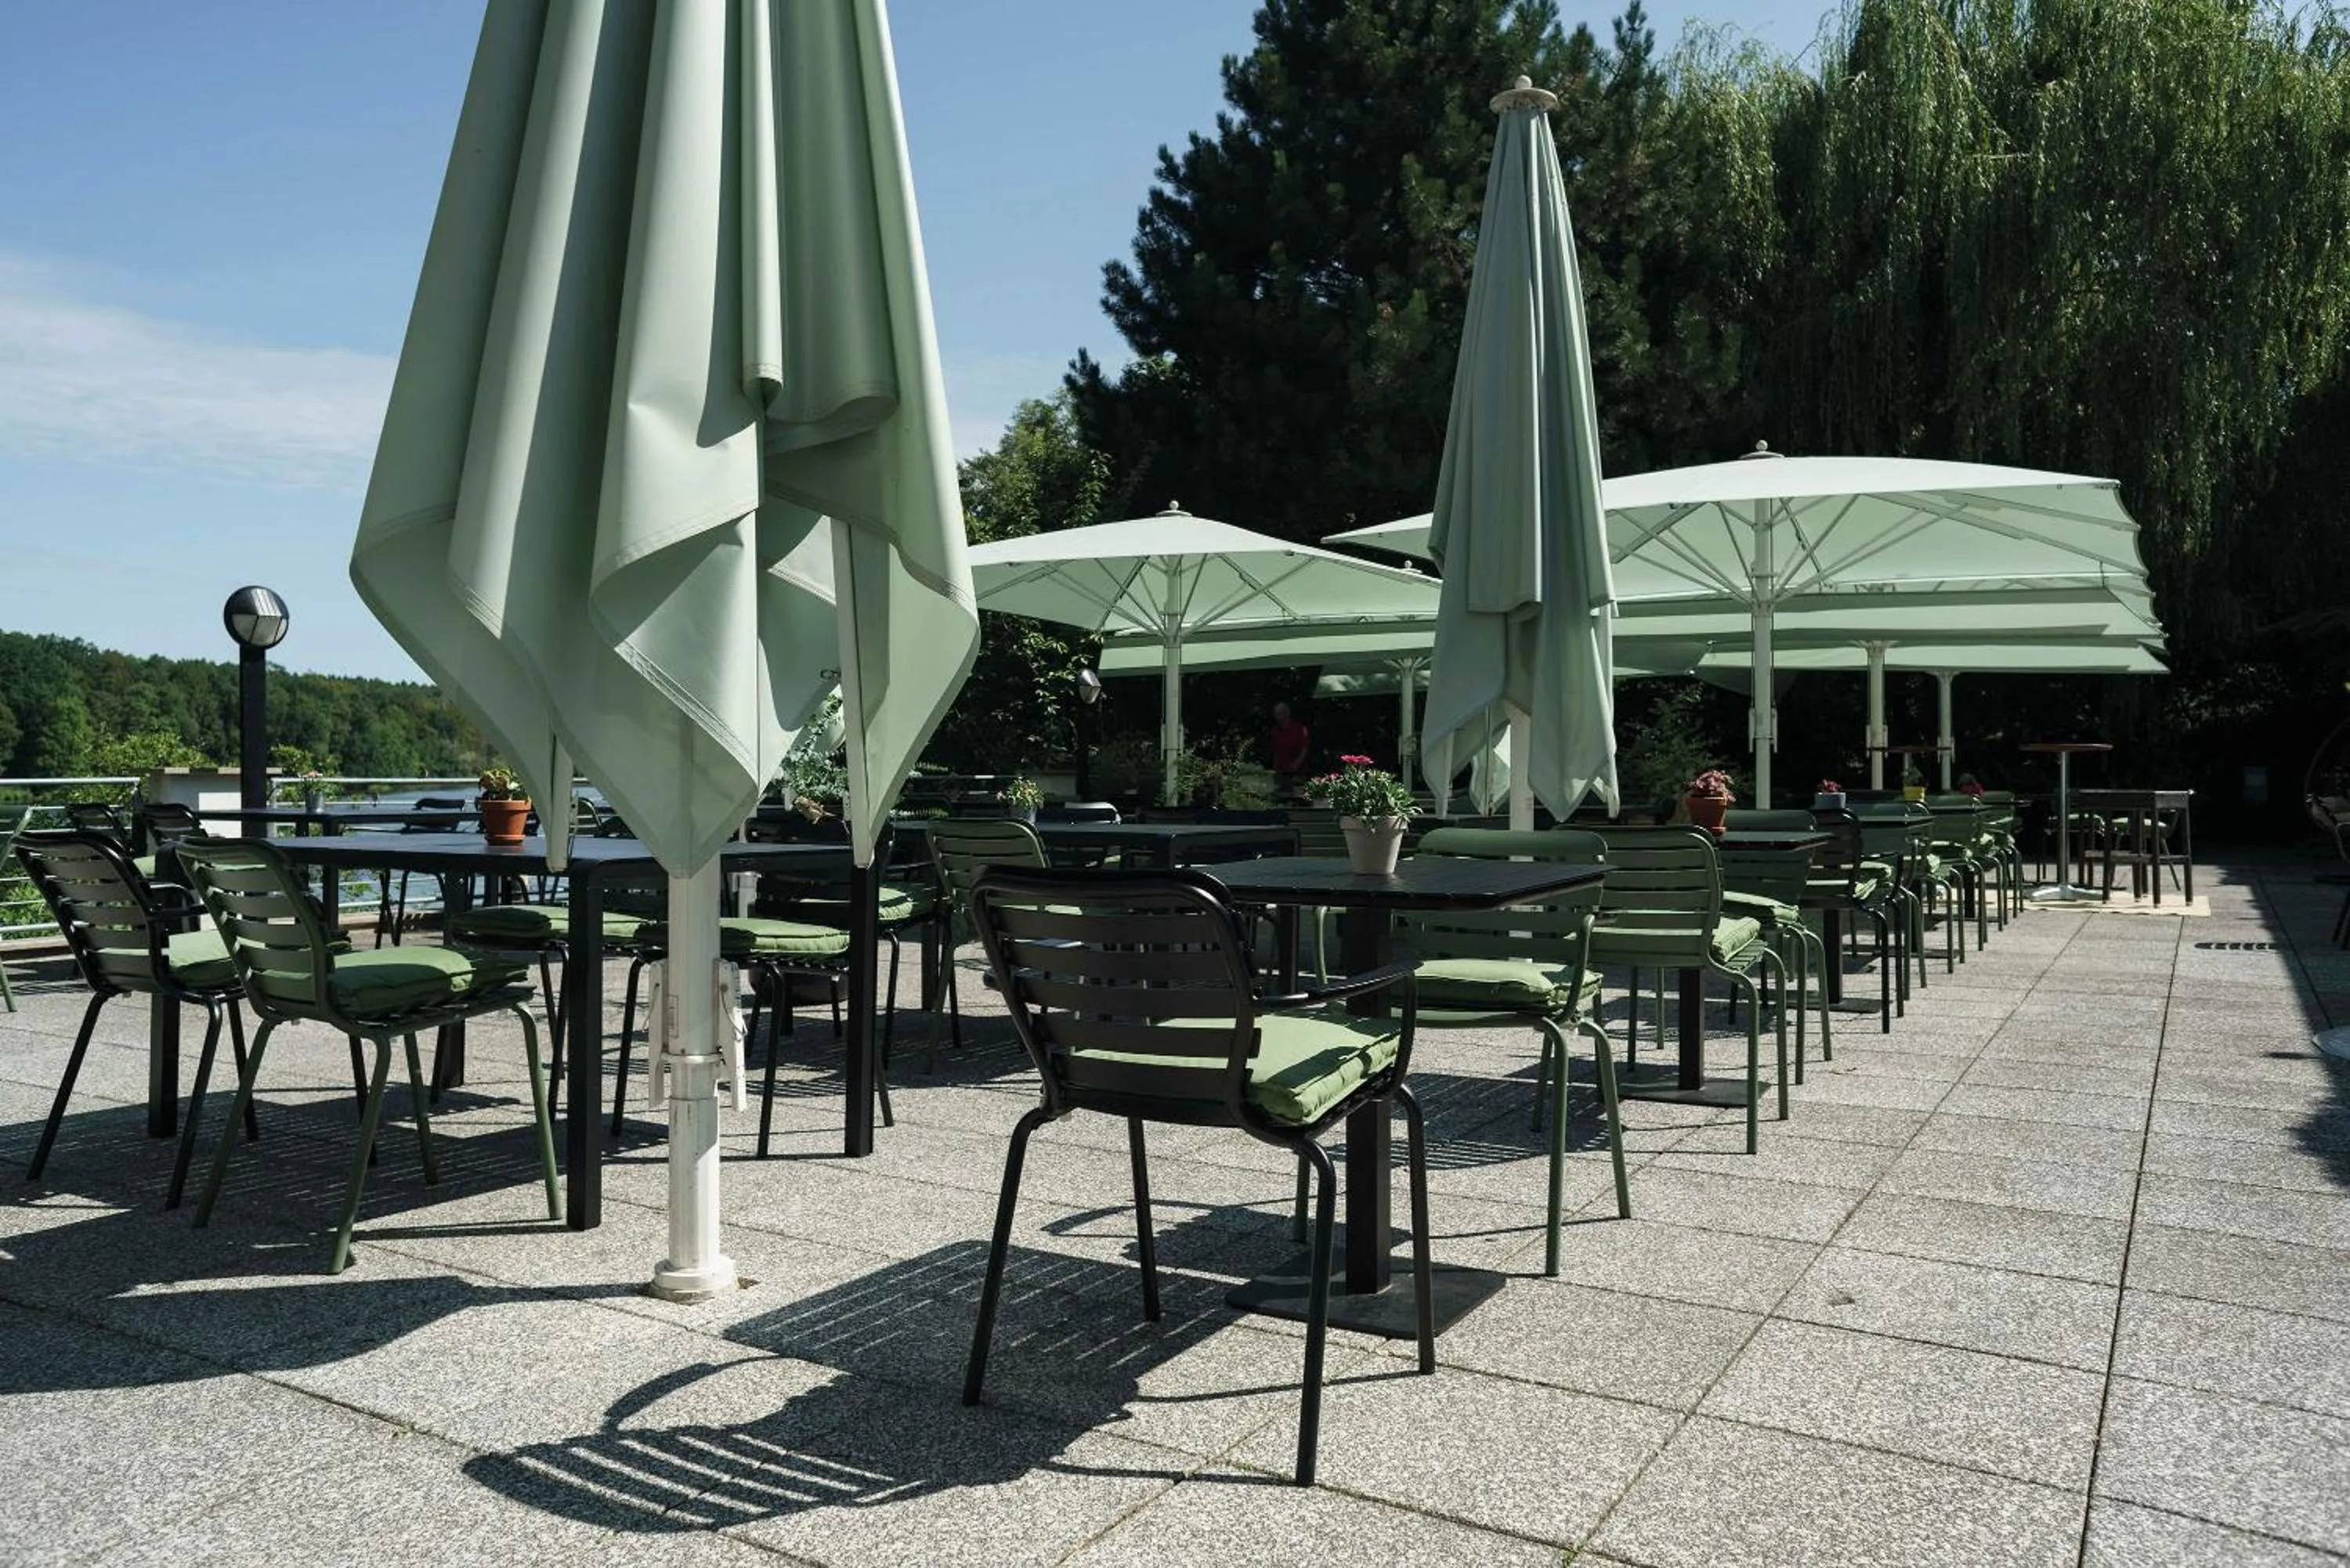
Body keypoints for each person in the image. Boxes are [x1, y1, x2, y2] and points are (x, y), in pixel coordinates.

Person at [1270, 701, 1310, 792]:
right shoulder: (1275, 731)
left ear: (1287, 714)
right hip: (1282, 772)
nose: (1277, 717)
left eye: (1280, 714)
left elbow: (1305, 748)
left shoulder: (1300, 729)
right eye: (1276, 714)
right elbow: (1275, 751)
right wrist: (1275, 768)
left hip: (1297, 773)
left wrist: (1296, 763)